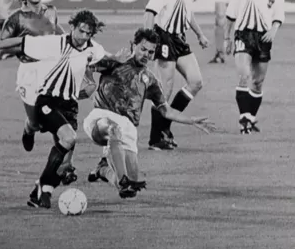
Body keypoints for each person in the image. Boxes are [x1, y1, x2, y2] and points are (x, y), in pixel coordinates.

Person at [0, 10, 116, 209]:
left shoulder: (92, 49)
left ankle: (40, 191)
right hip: (48, 101)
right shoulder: (53, 42)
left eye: (88, 34)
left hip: (70, 106)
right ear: (73, 27)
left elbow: (109, 59)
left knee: (64, 165)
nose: (83, 37)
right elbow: (18, 42)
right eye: (81, 31)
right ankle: (30, 131)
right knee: (68, 138)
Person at [84, 28, 217, 199]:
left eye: (151, 52)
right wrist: (88, 84)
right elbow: (86, 64)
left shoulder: (151, 80)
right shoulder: (116, 62)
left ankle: (104, 171)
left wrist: (190, 121)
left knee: (129, 189)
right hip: (101, 118)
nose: (146, 54)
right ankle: (121, 175)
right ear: (134, 45)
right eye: (143, 49)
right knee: (113, 129)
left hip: (128, 129)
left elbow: (165, 110)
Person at [144, 0, 210, 151]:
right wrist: (147, 42)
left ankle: (166, 126)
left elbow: (187, 13)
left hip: (180, 39)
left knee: (196, 82)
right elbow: (149, 12)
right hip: (163, 38)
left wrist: (199, 34)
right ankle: (156, 138)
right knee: (165, 89)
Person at [224, 0, 285, 134]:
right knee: (244, 75)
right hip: (243, 35)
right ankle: (244, 118)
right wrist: (227, 38)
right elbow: (230, 15)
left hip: (263, 38)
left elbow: (278, 16)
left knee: (258, 81)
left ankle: (249, 117)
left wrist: (273, 30)